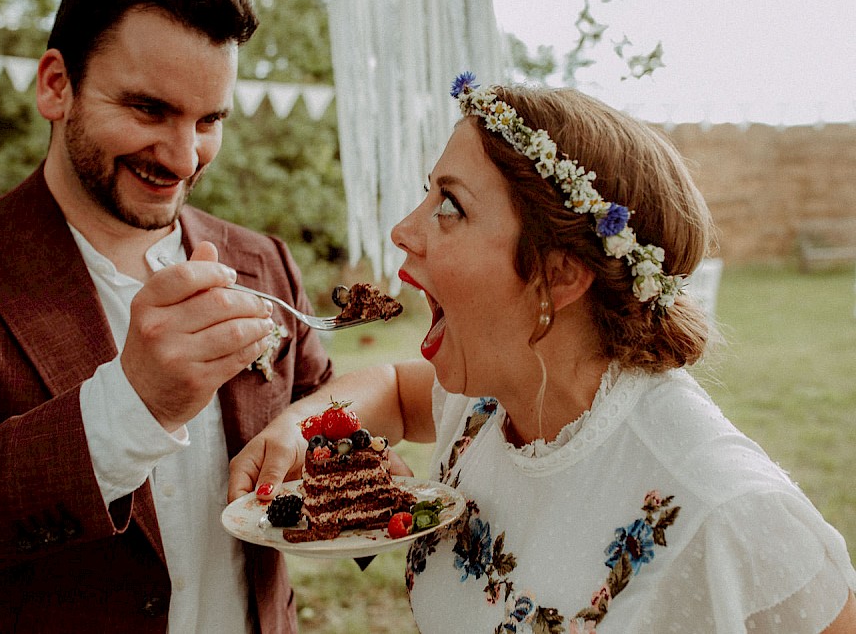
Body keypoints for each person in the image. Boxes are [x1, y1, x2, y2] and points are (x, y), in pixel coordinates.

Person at [229, 73, 856, 632]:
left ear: (558, 274)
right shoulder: (485, 408)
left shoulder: (729, 514)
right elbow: (393, 387)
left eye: (449, 205)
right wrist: (295, 427)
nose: (402, 230)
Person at [0, 0, 332, 632]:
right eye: (148, 110)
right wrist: (133, 407)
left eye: (209, 119)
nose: (184, 156)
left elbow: (322, 420)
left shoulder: (263, 262)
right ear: (57, 85)